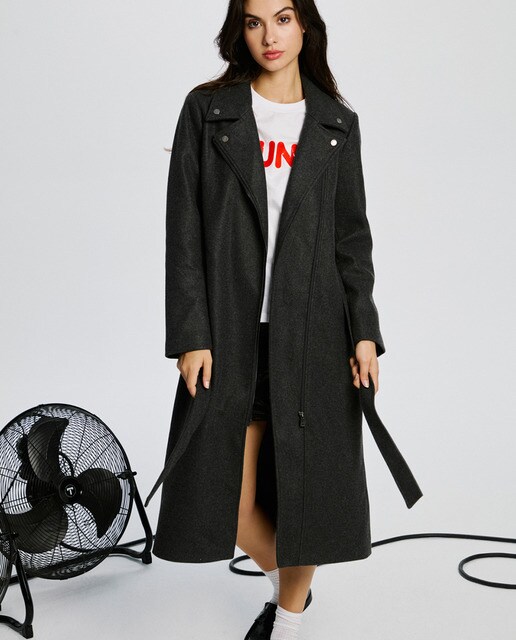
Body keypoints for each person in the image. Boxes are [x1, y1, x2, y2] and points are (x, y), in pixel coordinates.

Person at [149, 1, 387, 639]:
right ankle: (292, 590)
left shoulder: (336, 124)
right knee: (225, 498)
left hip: (315, 338)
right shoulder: (208, 111)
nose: (269, 36)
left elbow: (351, 241)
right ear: (240, 31)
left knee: (308, 499)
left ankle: (288, 619)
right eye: (254, 22)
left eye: (282, 19)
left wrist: (364, 330)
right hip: (231, 339)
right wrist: (191, 334)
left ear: (305, 25)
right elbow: (184, 231)